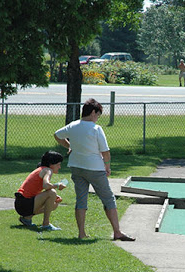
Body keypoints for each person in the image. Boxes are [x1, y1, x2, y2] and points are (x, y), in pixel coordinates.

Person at [53, 98, 135, 241]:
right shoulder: (96, 129)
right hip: (95, 169)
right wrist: (107, 167)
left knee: (81, 200)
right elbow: (106, 152)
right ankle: (117, 232)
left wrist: (69, 147)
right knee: (108, 199)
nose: (97, 118)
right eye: (97, 115)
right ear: (92, 113)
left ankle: (81, 233)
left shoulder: (73, 126)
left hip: (76, 167)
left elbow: (57, 135)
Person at [14, 150, 66, 231]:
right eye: (58, 164)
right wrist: (57, 185)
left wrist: (53, 195)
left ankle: (27, 218)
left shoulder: (41, 169)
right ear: (51, 165)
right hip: (24, 203)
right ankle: (46, 224)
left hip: (20, 203)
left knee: (54, 204)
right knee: (52, 192)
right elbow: (46, 185)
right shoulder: (48, 170)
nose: (59, 167)